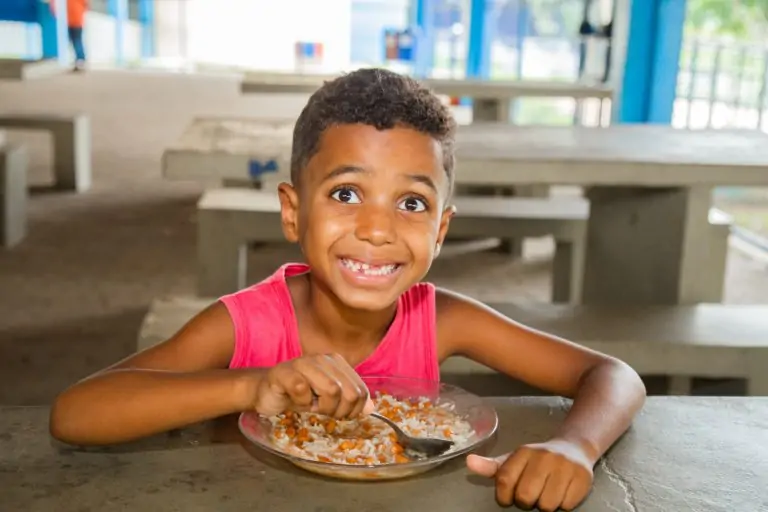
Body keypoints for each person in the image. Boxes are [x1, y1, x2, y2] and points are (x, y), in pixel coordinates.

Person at [49, 68, 646, 511]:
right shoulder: (243, 325)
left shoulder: (442, 319)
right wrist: (251, 384)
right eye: (345, 193)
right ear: (292, 212)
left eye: (411, 203)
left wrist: (575, 446)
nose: (378, 229)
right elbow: (76, 413)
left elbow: (613, 376)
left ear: (440, 230)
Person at [50, 0, 88, 71]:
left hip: (70, 20)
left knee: (76, 40)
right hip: (76, 19)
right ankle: (79, 59)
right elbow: (86, 5)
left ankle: (79, 59)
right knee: (77, 40)